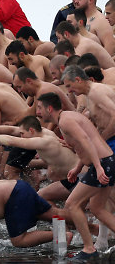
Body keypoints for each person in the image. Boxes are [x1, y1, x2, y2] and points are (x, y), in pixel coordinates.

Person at [36, 92, 115, 261]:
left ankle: (88, 249)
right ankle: (90, 247)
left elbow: (86, 140)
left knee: (72, 204)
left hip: (102, 163)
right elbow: (84, 144)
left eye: (39, 108)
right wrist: (78, 167)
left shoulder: (65, 121)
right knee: (97, 208)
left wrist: (99, 167)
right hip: (106, 161)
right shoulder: (68, 117)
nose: (37, 112)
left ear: (50, 108)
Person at [0, 116, 79, 203]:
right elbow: (10, 130)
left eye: (22, 134)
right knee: (42, 198)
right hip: (72, 177)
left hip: (79, 178)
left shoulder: (43, 141)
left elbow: (10, 140)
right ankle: (64, 224)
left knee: (43, 199)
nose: (21, 136)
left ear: (31, 130)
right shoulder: (42, 131)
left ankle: (66, 224)